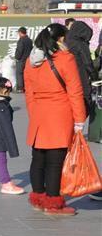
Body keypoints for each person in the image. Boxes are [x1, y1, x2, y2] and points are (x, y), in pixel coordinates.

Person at [24, 24, 87, 216]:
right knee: (55, 160)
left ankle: (38, 197)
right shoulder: (65, 58)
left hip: (39, 113)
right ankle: (53, 202)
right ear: (60, 39)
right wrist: (79, 118)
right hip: (60, 112)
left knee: (38, 158)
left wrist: (34, 112)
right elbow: (75, 91)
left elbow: (29, 92)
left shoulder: (31, 60)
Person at [65, 20, 98, 114]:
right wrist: (94, 76)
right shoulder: (80, 44)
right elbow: (87, 62)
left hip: (69, 75)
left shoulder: (67, 40)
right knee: (85, 96)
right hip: (81, 74)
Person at [13, 27, 33, 93]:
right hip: (28, 59)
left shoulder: (21, 40)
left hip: (21, 60)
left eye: (18, 33)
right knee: (26, 74)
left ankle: (20, 88)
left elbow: (20, 50)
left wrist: (17, 58)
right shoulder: (29, 40)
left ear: (20, 32)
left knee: (19, 73)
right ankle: (27, 87)